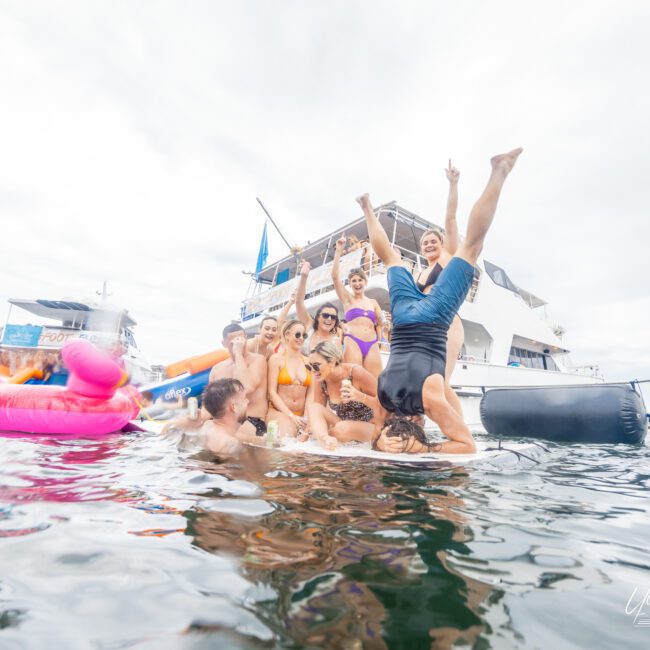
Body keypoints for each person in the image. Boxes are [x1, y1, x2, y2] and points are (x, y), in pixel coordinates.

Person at [357, 148, 523, 454]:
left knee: (469, 246)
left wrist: (427, 449)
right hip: (406, 320)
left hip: (431, 319)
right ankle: (367, 208)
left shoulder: (428, 401)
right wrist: (384, 441)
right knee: (392, 257)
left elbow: (466, 447)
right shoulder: (383, 396)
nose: (430, 244)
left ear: (420, 422)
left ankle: (500, 172)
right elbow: (375, 436)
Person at [415, 160, 464, 414]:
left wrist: (453, 184)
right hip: (426, 327)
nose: (429, 245)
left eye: (434, 241)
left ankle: (462, 432)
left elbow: (451, 219)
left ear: (441, 244)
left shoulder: (447, 258)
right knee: (429, 382)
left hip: (448, 325)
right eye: (425, 243)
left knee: (442, 381)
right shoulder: (419, 271)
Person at [305, 341, 377, 450]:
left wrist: (360, 397)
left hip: (370, 426)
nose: (313, 371)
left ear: (333, 362)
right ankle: (325, 439)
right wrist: (307, 432)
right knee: (313, 407)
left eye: (316, 365)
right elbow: (317, 411)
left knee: (339, 429)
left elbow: (385, 406)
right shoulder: (321, 378)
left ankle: (328, 437)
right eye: (309, 366)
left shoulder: (356, 373)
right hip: (343, 424)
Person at [332, 237, 383, 378]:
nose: (357, 283)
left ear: (365, 282)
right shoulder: (347, 299)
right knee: (354, 379)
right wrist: (338, 252)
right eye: (353, 281)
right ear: (350, 284)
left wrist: (385, 322)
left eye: (360, 280)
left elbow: (381, 322)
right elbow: (335, 278)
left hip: (372, 343)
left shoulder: (373, 302)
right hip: (353, 342)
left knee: (376, 380)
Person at [209, 323, 268, 440]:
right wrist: (195, 420)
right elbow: (210, 404)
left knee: (227, 436)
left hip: (251, 420)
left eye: (241, 339)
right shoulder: (217, 368)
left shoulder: (258, 360)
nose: (238, 343)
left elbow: (246, 387)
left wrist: (238, 354)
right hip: (223, 421)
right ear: (224, 344)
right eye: (234, 341)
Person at [163, 379, 249, 458]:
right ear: (233, 407)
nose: (248, 401)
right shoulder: (231, 445)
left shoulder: (206, 426)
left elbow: (167, 429)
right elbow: (247, 473)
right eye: (245, 398)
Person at [266, 319, 313, 438]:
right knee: (287, 437)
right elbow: (271, 392)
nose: (301, 338)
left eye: (304, 335)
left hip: (302, 414)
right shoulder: (276, 359)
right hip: (279, 412)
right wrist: (291, 416)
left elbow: (310, 395)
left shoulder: (308, 362)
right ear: (287, 334)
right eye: (297, 334)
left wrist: (306, 418)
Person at [294, 261, 343, 352]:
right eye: (325, 315)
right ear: (317, 317)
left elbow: (336, 365)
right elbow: (299, 302)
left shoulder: (336, 341)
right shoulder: (309, 325)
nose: (329, 319)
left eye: (333, 317)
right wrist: (304, 277)